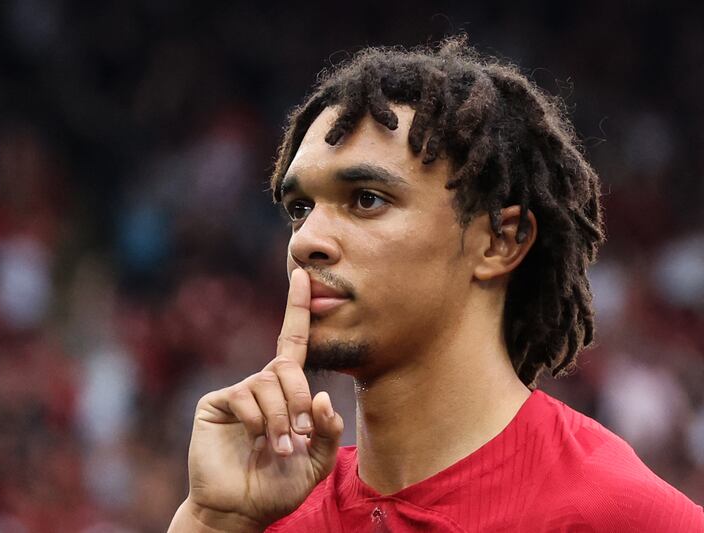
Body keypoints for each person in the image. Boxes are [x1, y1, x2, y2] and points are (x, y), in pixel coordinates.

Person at [169, 37, 704, 532]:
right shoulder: (264, 515)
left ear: (499, 242)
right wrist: (211, 521)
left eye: (366, 199)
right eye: (300, 208)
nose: (306, 240)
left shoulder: (618, 514)